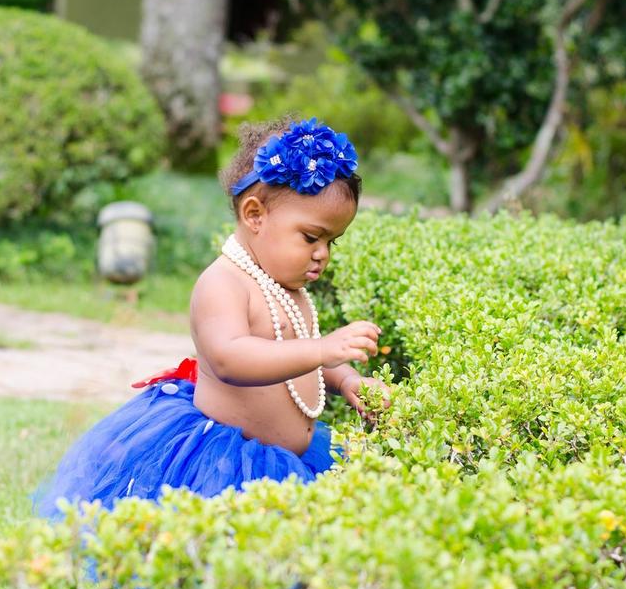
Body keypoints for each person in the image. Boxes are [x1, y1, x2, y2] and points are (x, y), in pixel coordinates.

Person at [31, 115, 391, 523]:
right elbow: (229, 357)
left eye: (331, 241)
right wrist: (322, 348)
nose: (322, 253)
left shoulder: (288, 289)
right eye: (311, 237)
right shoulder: (223, 283)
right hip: (228, 461)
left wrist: (346, 379)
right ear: (254, 215)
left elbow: (297, 365)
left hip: (294, 457)